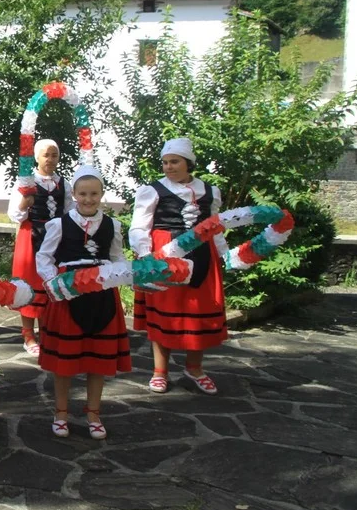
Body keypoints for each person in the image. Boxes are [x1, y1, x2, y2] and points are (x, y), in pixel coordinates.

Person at [36, 166, 130, 440]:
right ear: (74, 195)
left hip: (102, 294)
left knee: (97, 360)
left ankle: (93, 413)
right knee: (65, 362)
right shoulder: (59, 224)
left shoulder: (112, 225)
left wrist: (123, 277)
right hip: (69, 294)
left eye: (94, 194)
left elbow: (117, 258)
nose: (88, 199)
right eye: (83, 194)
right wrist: (55, 282)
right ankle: (61, 412)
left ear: (101, 194)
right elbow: (44, 257)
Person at [129, 138, 227, 396]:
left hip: (203, 255)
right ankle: (159, 371)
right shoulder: (152, 190)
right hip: (165, 253)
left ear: (188, 163)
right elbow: (139, 226)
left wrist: (226, 254)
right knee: (165, 310)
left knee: (198, 309)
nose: (168, 167)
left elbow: (215, 227)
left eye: (174, 161)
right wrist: (145, 255)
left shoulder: (210, 191)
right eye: (165, 162)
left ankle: (194, 368)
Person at [8, 139, 72, 356]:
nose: (50, 159)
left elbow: (68, 212)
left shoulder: (64, 184)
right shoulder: (27, 182)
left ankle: (47, 332)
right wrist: (24, 203)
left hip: (55, 238)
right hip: (31, 237)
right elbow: (14, 215)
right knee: (30, 284)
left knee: (49, 285)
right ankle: (28, 335)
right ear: (36, 157)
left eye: (54, 155)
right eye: (46, 155)